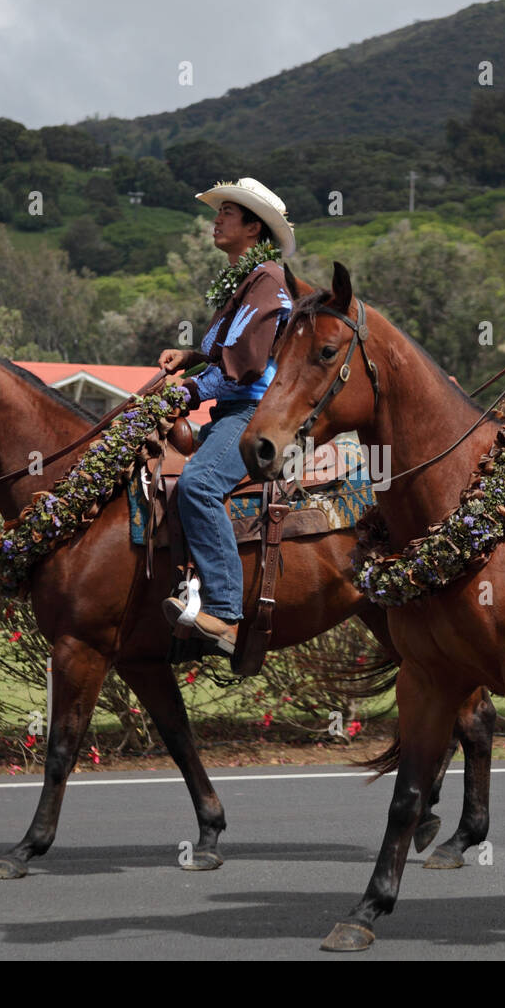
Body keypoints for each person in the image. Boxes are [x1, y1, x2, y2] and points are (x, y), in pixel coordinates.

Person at [157, 178, 295, 653]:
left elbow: (246, 368)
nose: (216, 220)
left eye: (227, 214)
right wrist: (192, 355)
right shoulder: (247, 281)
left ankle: (226, 614)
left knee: (198, 485)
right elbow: (230, 353)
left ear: (254, 227)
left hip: (255, 412)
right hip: (233, 408)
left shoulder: (267, 280)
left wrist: (190, 389)